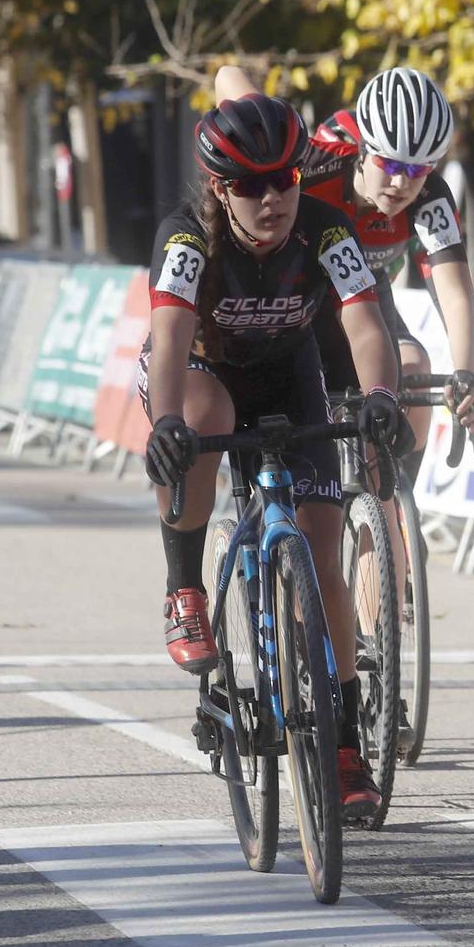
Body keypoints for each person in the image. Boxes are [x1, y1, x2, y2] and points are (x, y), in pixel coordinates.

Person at [140, 78, 409, 820]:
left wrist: (382, 398)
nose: (272, 199)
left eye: (285, 179)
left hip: (290, 376)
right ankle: (184, 587)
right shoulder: (189, 237)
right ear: (221, 189)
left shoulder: (326, 230)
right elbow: (166, 338)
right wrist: (166, 422)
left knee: (323, 562)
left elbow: (363, 324)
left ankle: (345, 745)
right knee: (202, 410)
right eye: (252, 185)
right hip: (202, 372)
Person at [302, 67, 474, 468]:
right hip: (302, 297)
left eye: (418, 170)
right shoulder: (316, 169)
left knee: (415, 367)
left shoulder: (431, 198)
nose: (403, 184)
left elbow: (455, 295)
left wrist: (467, 374)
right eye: (391, 166)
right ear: (363, 151)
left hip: (367, 291)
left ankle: (396, 514)